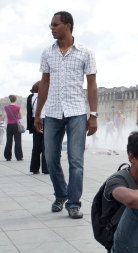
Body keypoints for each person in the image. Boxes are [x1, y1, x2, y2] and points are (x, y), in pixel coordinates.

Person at [34, 11, 98, 219]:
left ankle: (73, 203)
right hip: (52, 112)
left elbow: (91, 84)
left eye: (55, 24)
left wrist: (93, 115)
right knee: (51, 158)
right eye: (50, 25)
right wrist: (37, 114)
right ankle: (61, 193)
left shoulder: (85, 52)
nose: (51, 28)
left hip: (76, 112)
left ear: (67, 25)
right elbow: (44, 83)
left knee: (75, 160)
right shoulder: (47, 53)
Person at [27, 82, 48, 174]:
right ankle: (46, 169)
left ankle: (34, 168)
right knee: (46, 146)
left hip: (35, 121)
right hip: (46, 121)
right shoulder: (46, 96)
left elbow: (29, 112)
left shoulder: (30, 97)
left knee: (36, 146)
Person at [3, 95, 23, 161]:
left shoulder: (6, 107)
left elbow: (5, 117)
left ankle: (8, 157)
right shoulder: (18, 107)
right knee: (17, 141)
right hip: (16, 125)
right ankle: (19, 157)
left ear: (10, 100)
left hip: (9, 125)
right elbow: (20, 117)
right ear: (15, 100)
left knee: (9, 141)